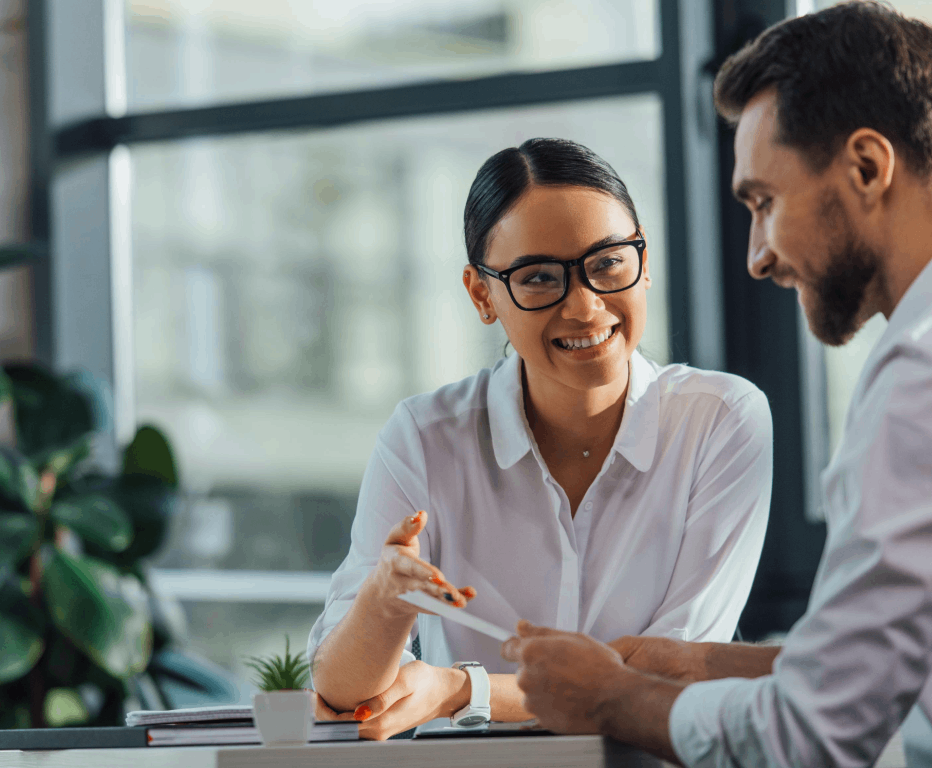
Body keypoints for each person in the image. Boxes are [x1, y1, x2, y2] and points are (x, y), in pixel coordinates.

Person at [502, 4, 932, 767]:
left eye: (763, 202)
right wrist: (711, 664)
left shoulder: (929, 375)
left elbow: (814, 735)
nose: (757, 255)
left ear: (866, 166)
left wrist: (612, 699)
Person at [306, 138, 773, 740]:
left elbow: (671, 671)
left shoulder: (722, 419)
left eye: (608, 263)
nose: (584, 306)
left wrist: (461, 689)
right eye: (539, 278)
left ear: (644, 259)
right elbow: (341, 692)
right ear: (482, 295)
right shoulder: (424, 437)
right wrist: (384, 603)